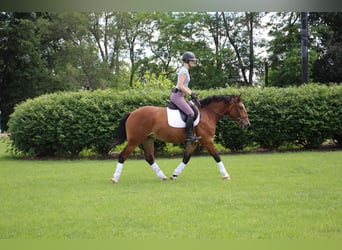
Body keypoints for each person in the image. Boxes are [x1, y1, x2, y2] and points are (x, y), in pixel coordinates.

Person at [170, 51, 201, 143]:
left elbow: (185, 86)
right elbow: (180, 85)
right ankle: (189, 137)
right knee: (190, 113)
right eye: (192, 61)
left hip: (180, 95)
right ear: (187, 61)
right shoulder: (184, 71)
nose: (193, 62)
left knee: (192, 108)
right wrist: (191, 94)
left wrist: (192, 93)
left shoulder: (185, 70)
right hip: (177, 96)